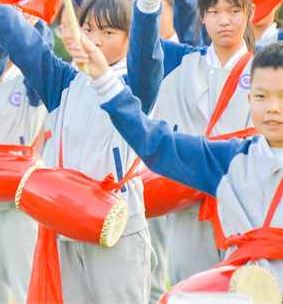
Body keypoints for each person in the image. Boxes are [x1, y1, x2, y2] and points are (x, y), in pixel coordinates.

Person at [0, 0, 171, 303]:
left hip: (117, 224)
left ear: (128, 38)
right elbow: (24, 45)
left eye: (108, 32)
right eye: (87, 30)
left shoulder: (136, 85)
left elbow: (146, 53)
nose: (94, 40)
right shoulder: (64, 80)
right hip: (66, 218)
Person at [73, 38, 283, 289]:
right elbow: (156, 143)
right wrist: (105, 81)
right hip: (244, 290)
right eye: (261, 96)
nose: (273, 108)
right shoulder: (229, 160)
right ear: (249, 99)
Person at [134, 0, 256, 285]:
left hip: (249, 208)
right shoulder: (180, 63)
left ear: (249, 13)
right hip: (186, 207)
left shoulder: (267, 67)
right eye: (213, 12)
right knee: (191, 290)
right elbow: (141, 49)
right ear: (201, 17)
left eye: (234, 10)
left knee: (247, 292)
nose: (224, 21)